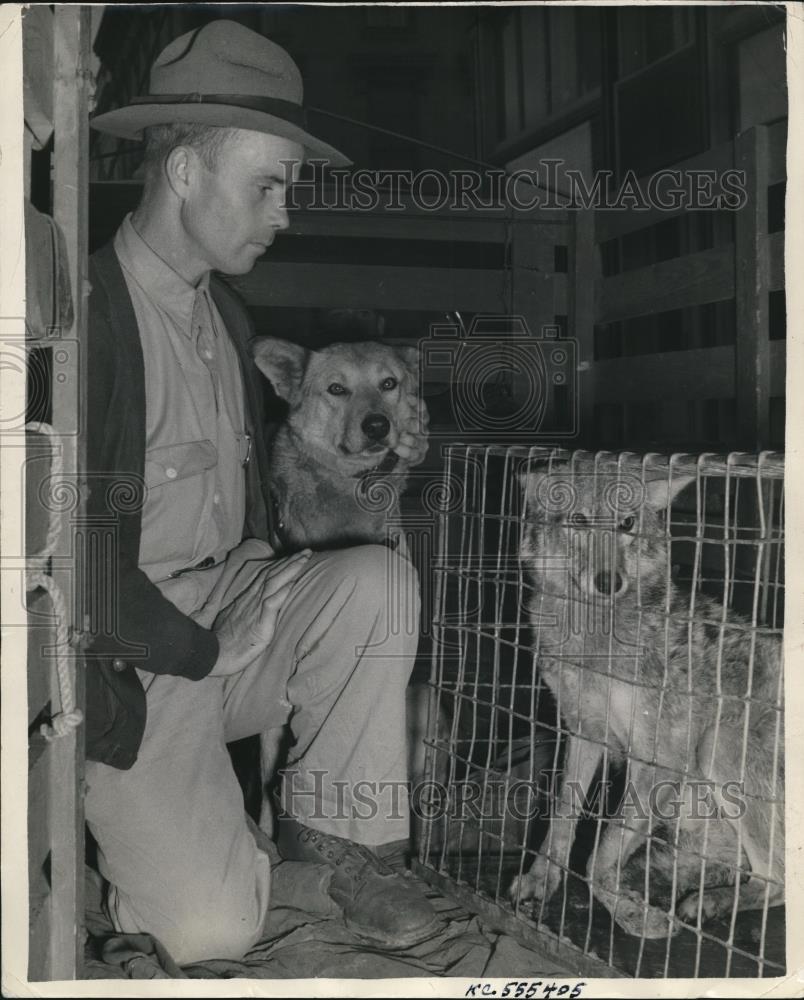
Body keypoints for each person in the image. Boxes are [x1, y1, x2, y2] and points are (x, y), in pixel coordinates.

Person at [85, 19, 438, 964]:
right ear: (187, 173)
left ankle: (340, 848)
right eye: (268, 184)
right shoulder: (86, 320)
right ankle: (162, 854)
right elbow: (54, 559)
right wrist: (199, 646)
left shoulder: (228, 317)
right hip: (132, 664)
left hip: (231, 615)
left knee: (378, 583)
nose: (286, 210)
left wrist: (262, 587)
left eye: (290, 187)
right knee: (209, 932)